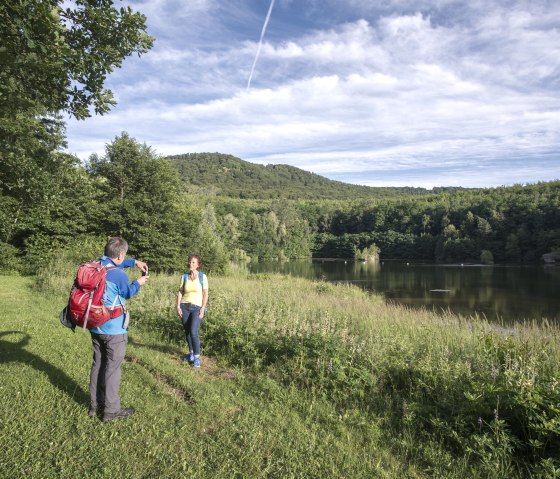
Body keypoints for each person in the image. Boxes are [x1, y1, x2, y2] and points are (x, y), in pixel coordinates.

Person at [89, 236, 149, 422]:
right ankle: (111, 411)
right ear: (120, 254)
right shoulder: (119, 276)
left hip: (95, 325)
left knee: (98, 364)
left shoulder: (95, 265)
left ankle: (94, 406)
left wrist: (134, 262)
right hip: (114, 329)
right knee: (112, 368)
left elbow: (113, 265)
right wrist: (137, 283)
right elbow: (128, 293)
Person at [176, 254, 208, 368]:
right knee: (187, 332)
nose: (191, 264)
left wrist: (203, 308)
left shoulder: (202, 277)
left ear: (198, 265)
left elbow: (205, 294)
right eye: (190, 262)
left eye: (193, 262)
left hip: (197, 308)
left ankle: (197, 358)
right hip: (184, 306)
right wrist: (178, 306)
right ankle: (191, 353)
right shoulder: (184, 276)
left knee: (194, 332)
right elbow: (180, 292)